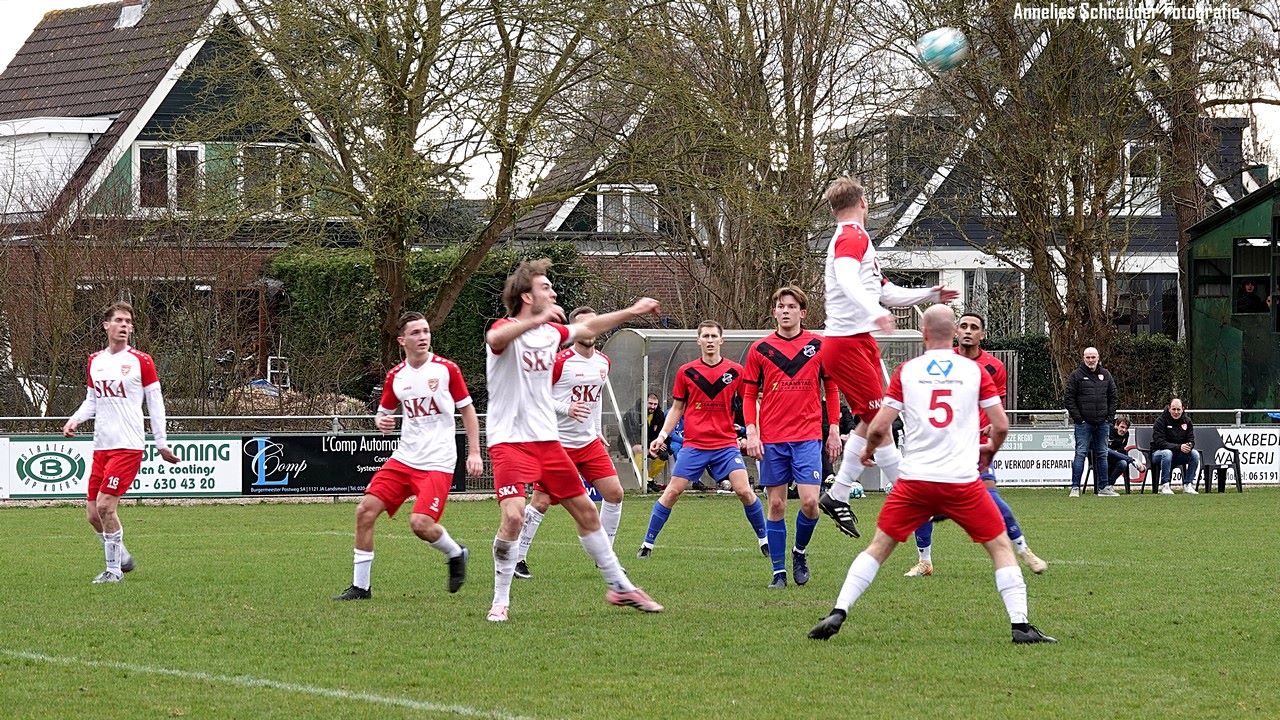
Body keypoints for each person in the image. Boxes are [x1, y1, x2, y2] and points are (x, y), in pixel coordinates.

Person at [808, 305, 1056, 644]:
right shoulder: (974, 371)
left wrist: (867, 451)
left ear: (924, 333)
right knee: (1000, 547)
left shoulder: (907, 371)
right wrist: (988, 452)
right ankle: (1021, 626)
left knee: (879, 547)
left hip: (915, 482)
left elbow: (878, 426)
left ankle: (839, 610)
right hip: (961, 481)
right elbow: (1000, 425)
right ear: (953, 332)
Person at [486, 259, 663, 621]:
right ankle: (500, 600)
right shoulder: (506, 329)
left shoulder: (550, 335)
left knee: (586, 511)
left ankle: (619, 586)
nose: (553, 293)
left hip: (546, 441)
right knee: (514, 517)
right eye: (546, 287)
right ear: (526, 297)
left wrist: (632, 311)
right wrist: (538, 320)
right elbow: (495, 339)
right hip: (509, 441)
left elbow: (590, 326)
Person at [817, 176, 958, 538]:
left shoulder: (858, 240)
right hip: (846, 342)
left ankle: (837, 494)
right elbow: (848, 279)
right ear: (863, 202)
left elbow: (887, 292)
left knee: (872, 422)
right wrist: (872, 311)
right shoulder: (852, 236)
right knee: (881, 424)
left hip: (857, 340)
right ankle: (914, 498)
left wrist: (929, 293)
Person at [334, 312, 483, 601]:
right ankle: (360, 588)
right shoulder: (396, 376)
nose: (423, 337)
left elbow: (467, 410)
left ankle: (456, 552)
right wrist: (382, 422)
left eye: (426, 331)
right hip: (404, 458)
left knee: (420, 524)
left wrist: (474, 451)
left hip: (438, 460)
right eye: (416, 333)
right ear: (402, 340)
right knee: (364, 511)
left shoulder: (446, 370)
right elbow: (382, 414)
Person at [903, 312, 1048, 577]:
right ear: (955, 332)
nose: (968, 331)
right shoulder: (943, 363)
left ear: (983, 334)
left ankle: (1024, 549)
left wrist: (993, 423)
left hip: (975, 448)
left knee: (992, 499)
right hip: (941, 446)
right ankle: (924, 561)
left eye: (974, 327)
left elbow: (996, 404)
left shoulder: (994, 367)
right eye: (964, 326)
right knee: (921, 504)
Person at [62, 301, 179, 584]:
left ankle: (113, 572)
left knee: (105, 507)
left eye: (128, 322)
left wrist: (161, 442)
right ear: (106, 325)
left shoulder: (141, 360)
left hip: (128, 446)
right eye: (119, 320)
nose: (124, 325)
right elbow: (92, 400)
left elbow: (155, 403)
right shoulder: (95, 360)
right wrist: (75, 420)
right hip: (102, 446)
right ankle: (122, 557)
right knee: (93, 515)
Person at [638, 320, 769, 560]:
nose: (709, 340)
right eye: (705, 336)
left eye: (713, 336)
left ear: (721, 340)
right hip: (694, 446)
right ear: (698, 340)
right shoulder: (686, 372)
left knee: (744, 490)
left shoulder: (735, 371)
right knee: (672, 492)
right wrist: (662, 435)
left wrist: (754, 433)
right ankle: (647, 544)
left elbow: (750, 402)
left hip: (726, 445)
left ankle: (765, 541)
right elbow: (677, 408)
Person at [514, 306, 626, 580]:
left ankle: (605, 556)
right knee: (541, 502)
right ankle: (517, 558)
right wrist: (567, 409)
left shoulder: (603, 362)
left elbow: (596, 398)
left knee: (615, 494)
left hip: (588, 443)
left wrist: (597, 430)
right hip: (556, 444)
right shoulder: (559, 362)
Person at [742, 286, 841, 588]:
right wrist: (751, 431)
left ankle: (799, 552)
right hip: (773, 438)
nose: (785, 311)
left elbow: (832, 388)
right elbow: (748, 394)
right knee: (776, 505)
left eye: (791, 306)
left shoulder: (819, 345)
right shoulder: (760, 349)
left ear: (803, 312)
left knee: (810, 503)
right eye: (781, 306)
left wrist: (834, 428)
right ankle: (778, 573)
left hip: (808, 435)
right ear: (774, 312)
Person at [1064, 346, 1117, 497]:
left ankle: (1103, 487)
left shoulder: (1106, 374)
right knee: (1080, 454)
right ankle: (1075, 487)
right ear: (1083, 358)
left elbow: (1113, 397)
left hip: (1102, 423)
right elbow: (1069, 399)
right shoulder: (1076, 375)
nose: (1091, 360)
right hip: (1084, 424)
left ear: (1098, 358)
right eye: (1088, 357)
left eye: (1093, 357)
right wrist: (1078, 419)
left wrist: (1109, 418)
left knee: (1102, 454)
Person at [1151, 398, 1201, 495]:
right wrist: (1179, 447)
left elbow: (1191, 440)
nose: (1176, 412)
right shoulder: (1160, 421)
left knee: (1194, 454)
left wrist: (1189, 446)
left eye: (1178, 409)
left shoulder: (1187, 421)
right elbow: (1160, 442)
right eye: (1174, 409)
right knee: (1167, 453)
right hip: (1158, 454)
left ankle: (1188, 485)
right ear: (1169, 408)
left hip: (1178, 454)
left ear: (1183, 409)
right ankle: (1165, 485)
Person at [623, 393, 667, 492]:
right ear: (643, 402)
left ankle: (650, 479)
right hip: (630, 444)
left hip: (650, 443)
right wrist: (647, 448)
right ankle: (644, 481)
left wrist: (659, 443)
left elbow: (661, 432)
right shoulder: (633, 414)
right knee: (640, 450)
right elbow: (633, 436)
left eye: (655, 404)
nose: (653, 406)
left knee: (664, 454)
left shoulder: (659, 414)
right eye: (650, 403)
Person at [1105, 416, 1146, 490]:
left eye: (1126, 428)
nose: (1124, 430)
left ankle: (1109, 485)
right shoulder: (1107, 430)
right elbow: (1105, 450)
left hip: (1115, 458)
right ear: (1116, 425)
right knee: (1108, 451)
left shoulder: (1126, 434)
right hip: (1102, 458)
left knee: (1123, 463)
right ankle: (1133, 460)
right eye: (1122, 427)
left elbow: (1121, 449)